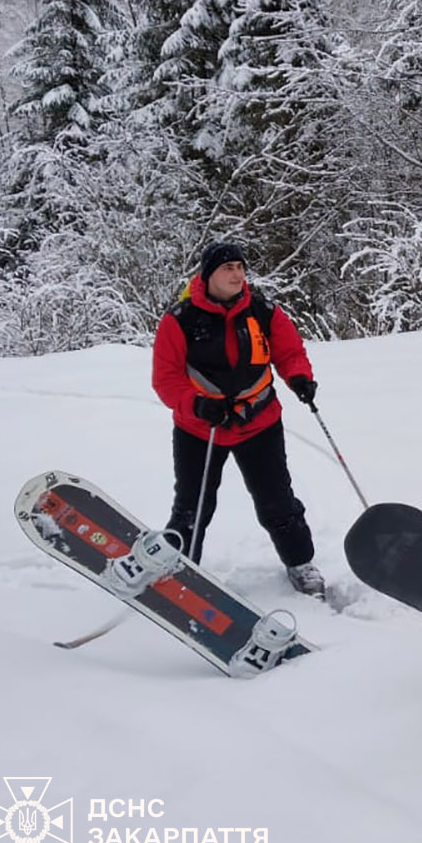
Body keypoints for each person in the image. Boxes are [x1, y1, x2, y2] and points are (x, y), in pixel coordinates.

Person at [151, 241, 326, 597]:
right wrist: (196, 405)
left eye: (240, 268)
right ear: (209, 274)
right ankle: (179, 568)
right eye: (227, 268)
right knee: (193, 504)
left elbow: (290, 351)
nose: (236, 274)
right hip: (201, 427)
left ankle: (300, 563)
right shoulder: (179, 320)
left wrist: (299, 378)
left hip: (259, 422)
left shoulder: (263, 311)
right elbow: (165, 378)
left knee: (277, 499)